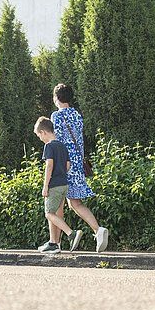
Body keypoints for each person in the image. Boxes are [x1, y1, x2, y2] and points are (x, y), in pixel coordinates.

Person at [51, 83, 109, 253]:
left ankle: (57, 242)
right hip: (77, 163)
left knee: (57, 205)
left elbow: (58, 142)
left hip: (64, 164)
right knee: (75, 203)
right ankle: (98, 230)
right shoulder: (77, 115)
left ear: (56, 98)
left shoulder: (57, 116)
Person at [34, 117, 80, 254]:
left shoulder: (49, 146)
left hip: (54, 185)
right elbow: (67, 165)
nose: (40, 138)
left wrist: (45, 185)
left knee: (49, 213)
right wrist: (60, 174)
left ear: (43, 132)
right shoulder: (62, 146)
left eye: (39, 135)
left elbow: (49, 166)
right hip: (64, 184)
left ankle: (71, 233)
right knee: (57, 214)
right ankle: (53, 244)